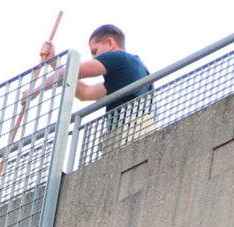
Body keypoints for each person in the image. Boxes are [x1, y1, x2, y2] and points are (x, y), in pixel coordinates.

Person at [39, 25, 156, 153]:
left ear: (110, 43)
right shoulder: (133, 70)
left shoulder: (118, 57)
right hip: (140, 131)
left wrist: (33, 92)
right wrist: (54, 62)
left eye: (95, 51)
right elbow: (85, 92)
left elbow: (68, 72)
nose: (94, 58)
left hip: (127, 132)